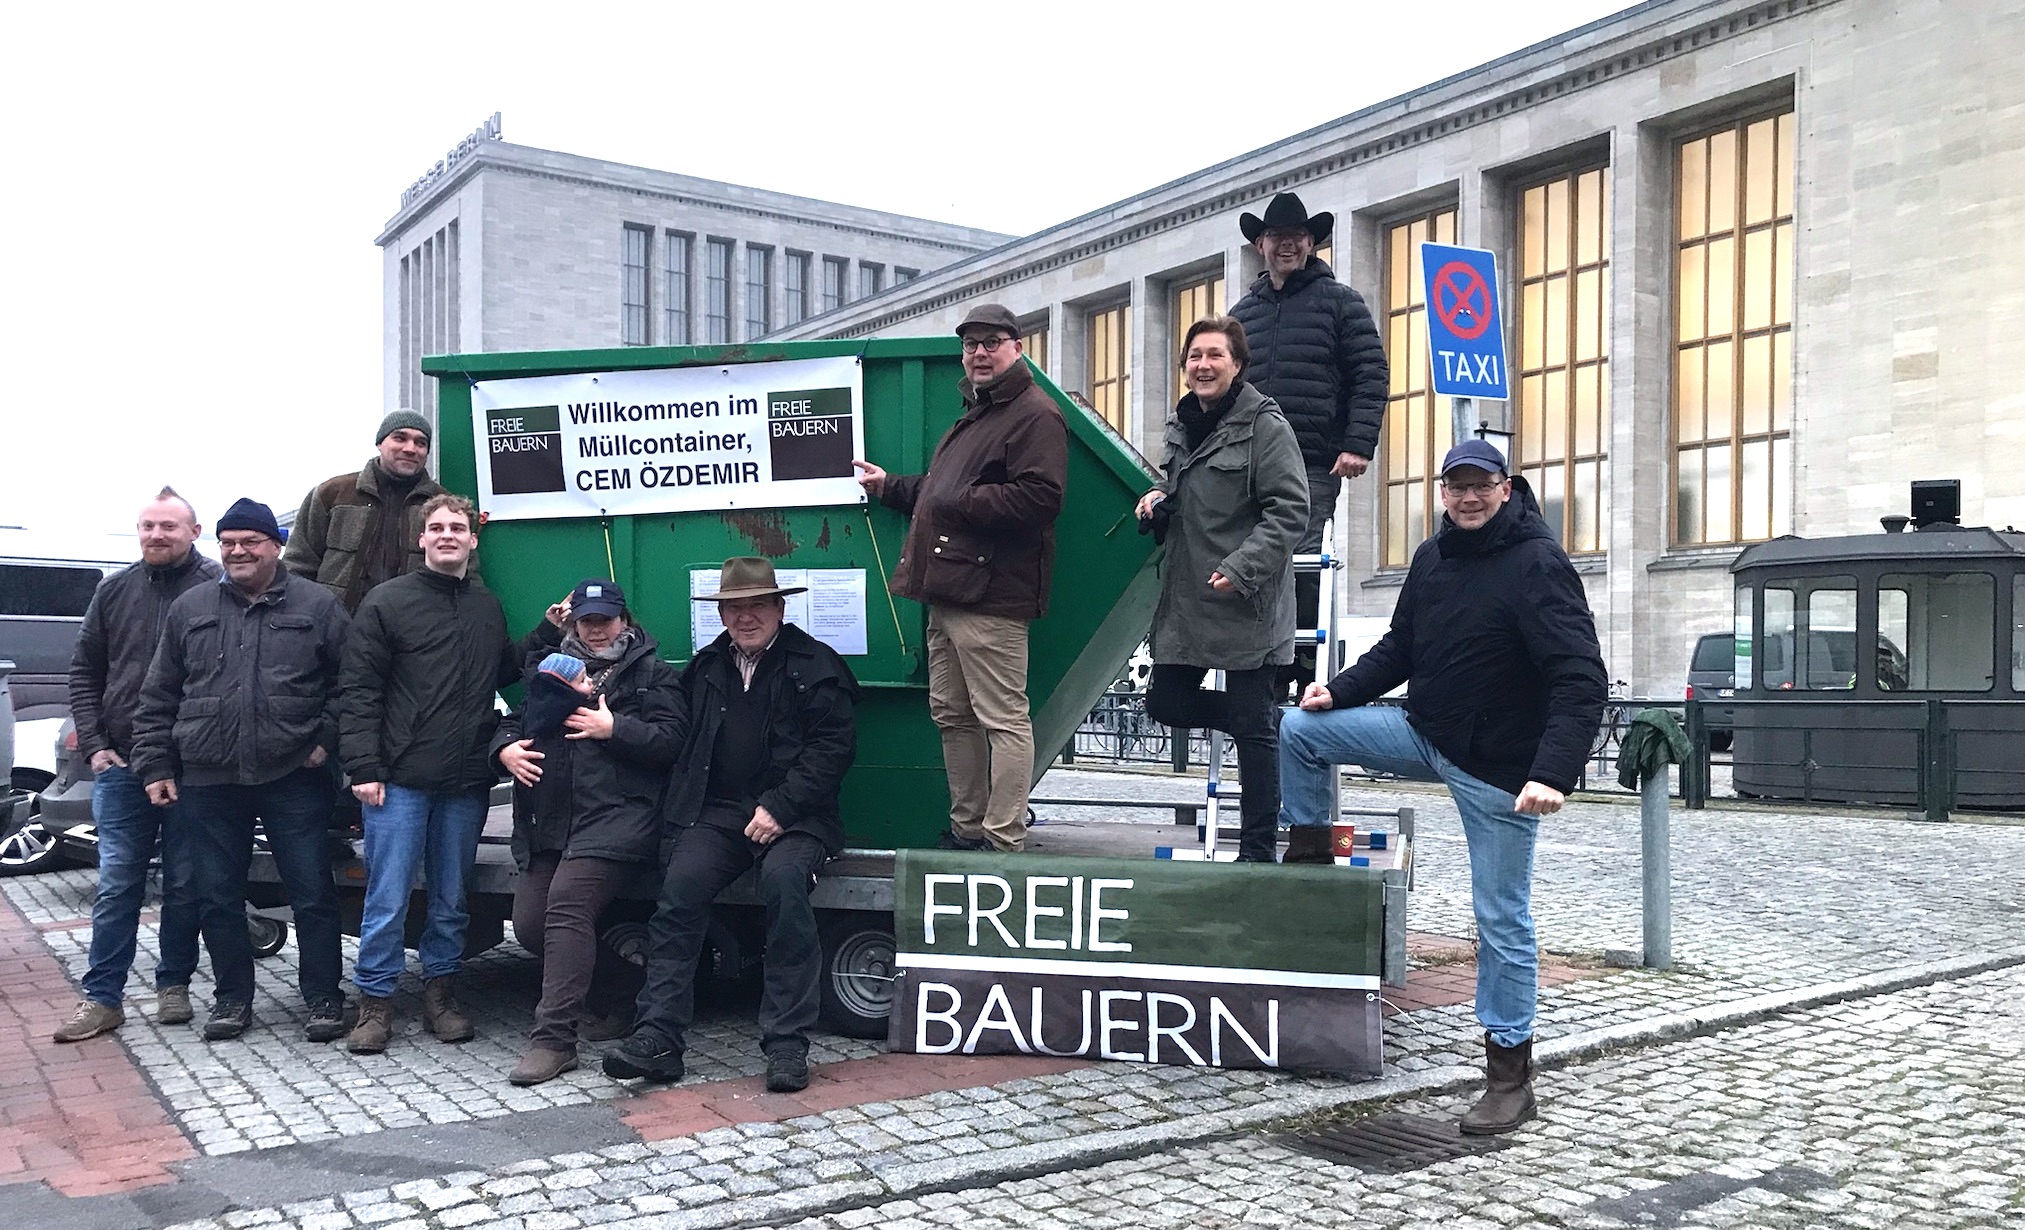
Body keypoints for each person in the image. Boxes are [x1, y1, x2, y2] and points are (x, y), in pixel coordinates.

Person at [1278, 439, 1606, 1133]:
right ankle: (1312, 865)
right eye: (1455, 487)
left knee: (1501, 918)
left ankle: (1509, 1075)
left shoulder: (1537, 564)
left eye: (1480, 486)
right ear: (1442, 492)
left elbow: (1580, 678)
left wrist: (1551, 772)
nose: (1467, 498)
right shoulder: (1432, 557)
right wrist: (1334, 693)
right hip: (1426, 734)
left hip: (1500, 773)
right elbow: (1400, 647)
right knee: (1297, 732)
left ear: (1506, 487)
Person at [603, 558, 857, 1093]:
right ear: (720, 613)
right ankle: (659, 1036)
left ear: (779, 609)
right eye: (734, 608)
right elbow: (675, 740)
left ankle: (787, 1043)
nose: (746, 618)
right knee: (680, 889)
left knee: (785, 888)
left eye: (757, 606)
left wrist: (781, 807)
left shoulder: (817, 664)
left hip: (798, 817)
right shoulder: (707, 666)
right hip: (719, 813)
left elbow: (832, 751)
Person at [337, 494, 562, 1055]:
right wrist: (363, 765)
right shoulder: (387, 603)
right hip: (400, 781)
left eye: (456, 528)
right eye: (435, 527)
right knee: (387, 898)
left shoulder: (486, 606)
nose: (446, 535)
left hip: (465, 782)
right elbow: (358, 690)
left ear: (472, 539)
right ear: (421, 539)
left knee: (451, 898)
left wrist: (544, 633)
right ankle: (375, 1002)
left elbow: (502, 670)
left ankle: (442, 995)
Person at [130, 498, 352, 1042]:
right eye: (228, 542)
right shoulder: (191, 608)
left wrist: (324, 741)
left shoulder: (319, 605)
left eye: (249, 541)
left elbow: (352, 687)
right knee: (217, 896)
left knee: (313, 893)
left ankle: (324, 997)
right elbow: (158, 693)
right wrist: (156, 762)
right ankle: (231, 999)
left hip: (292, 774)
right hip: (208, 777)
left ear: (275, 546)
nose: (237, 551)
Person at [852, 304, 1066, 853]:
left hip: (991, 598)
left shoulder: (1033, 413)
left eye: (992, 342)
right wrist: (891, 487)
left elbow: (1041, 498)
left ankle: (1002, 840)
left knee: (1002, 720)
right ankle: (969, 830)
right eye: (971, 344)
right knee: (953, 715)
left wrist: (956, 497)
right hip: (949, 593)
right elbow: (940, 489)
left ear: (1018, 347)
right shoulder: (979, 412)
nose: (979, 353)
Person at [493, 581, 682, 1085]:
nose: (597, 629)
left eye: (606, 619)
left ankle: (553, 1040)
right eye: (587, 620)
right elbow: (514, 720)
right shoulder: (551, 668)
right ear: (573, 621)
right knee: (532, 926)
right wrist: (505, 750)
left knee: (568, 905)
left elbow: (672, 741)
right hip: (552, 823)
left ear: (625, 620)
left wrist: (614, 729)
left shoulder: (650, 673)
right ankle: (626, 991)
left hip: (619, 819)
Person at [1134, 318, 1307, 864]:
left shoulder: (1264, 425)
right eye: (1194, 356)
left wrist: (1243, 566)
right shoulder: (1183, 425)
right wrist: (1158, 498)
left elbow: (1290, 510)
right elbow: (1187, 491)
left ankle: (1257, 853)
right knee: (1166, 702)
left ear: (1237, 365)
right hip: (1189, 598)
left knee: (1253, 736)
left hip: (1246, 599)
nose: (1203, 365)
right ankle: (1265, 720)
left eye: (1215, 355)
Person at [52, 488, 220, 1042]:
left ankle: (173, 984)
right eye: (147, 526)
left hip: (194, 767)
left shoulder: (218, 588)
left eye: (168, 527)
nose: (155, 535)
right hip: (122, 766)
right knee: (118, 882)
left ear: (194, 532)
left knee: (185, 882)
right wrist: (95, 745)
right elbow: (84, 671)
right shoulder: (114, 590)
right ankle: (102, 998)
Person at [1228, 192, 1388, 696]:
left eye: (1298, 236)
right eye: (1277, 236)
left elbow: (1370, 374)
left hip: (1312, 460)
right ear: (1260, 244)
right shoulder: (1241, 315)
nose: (1287, 245)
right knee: (1252, 556)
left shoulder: (1341, 302)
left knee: (1300, 554)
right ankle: (1258, 664)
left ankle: (1302, 668)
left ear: (1312, 243)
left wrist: (1357, 443)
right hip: (1248, 461)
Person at [285, 410, 448, 612]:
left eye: (420, 443)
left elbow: (463, 573)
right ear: (379, 443)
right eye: (400, 438)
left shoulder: (444, 505)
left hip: (412, 630)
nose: (410, 449)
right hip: (335, 626)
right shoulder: (332, 494)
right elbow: (298, 565)